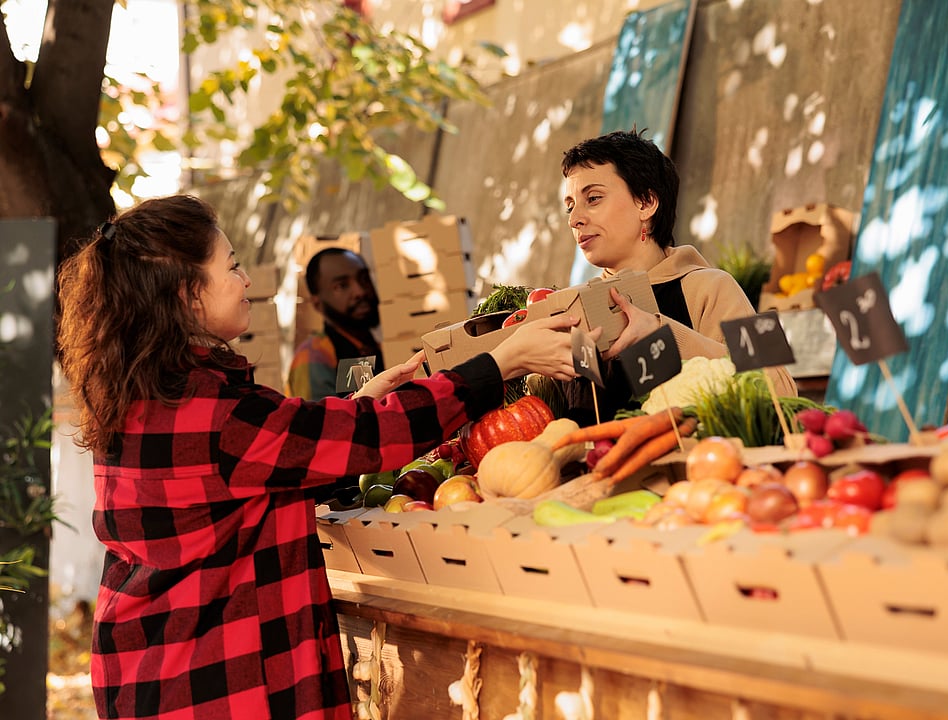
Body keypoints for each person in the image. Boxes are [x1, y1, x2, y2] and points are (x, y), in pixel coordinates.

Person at [55, 194, 583, 720]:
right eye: (233, 266)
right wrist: (499, 363)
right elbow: (375, 435)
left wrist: (356, 406)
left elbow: (256, 472)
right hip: (216, 685)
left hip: (152, 671)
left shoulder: (147, 400)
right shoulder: (213, 411)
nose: (247, 281)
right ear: (189, 296)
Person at [561, 128, 797, 423]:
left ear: (646, 203)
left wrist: (667, 338)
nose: (575, 219)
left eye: (593, 198)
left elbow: (782, 390)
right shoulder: (576, 311)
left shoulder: (712, 286)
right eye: (569, 206)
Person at [286, 247, 383, 399]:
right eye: (342, 286)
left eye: (364, 279)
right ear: (317, 304)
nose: (360, 292)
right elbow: (321, 420)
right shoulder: (315, 354)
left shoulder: (374, 345)